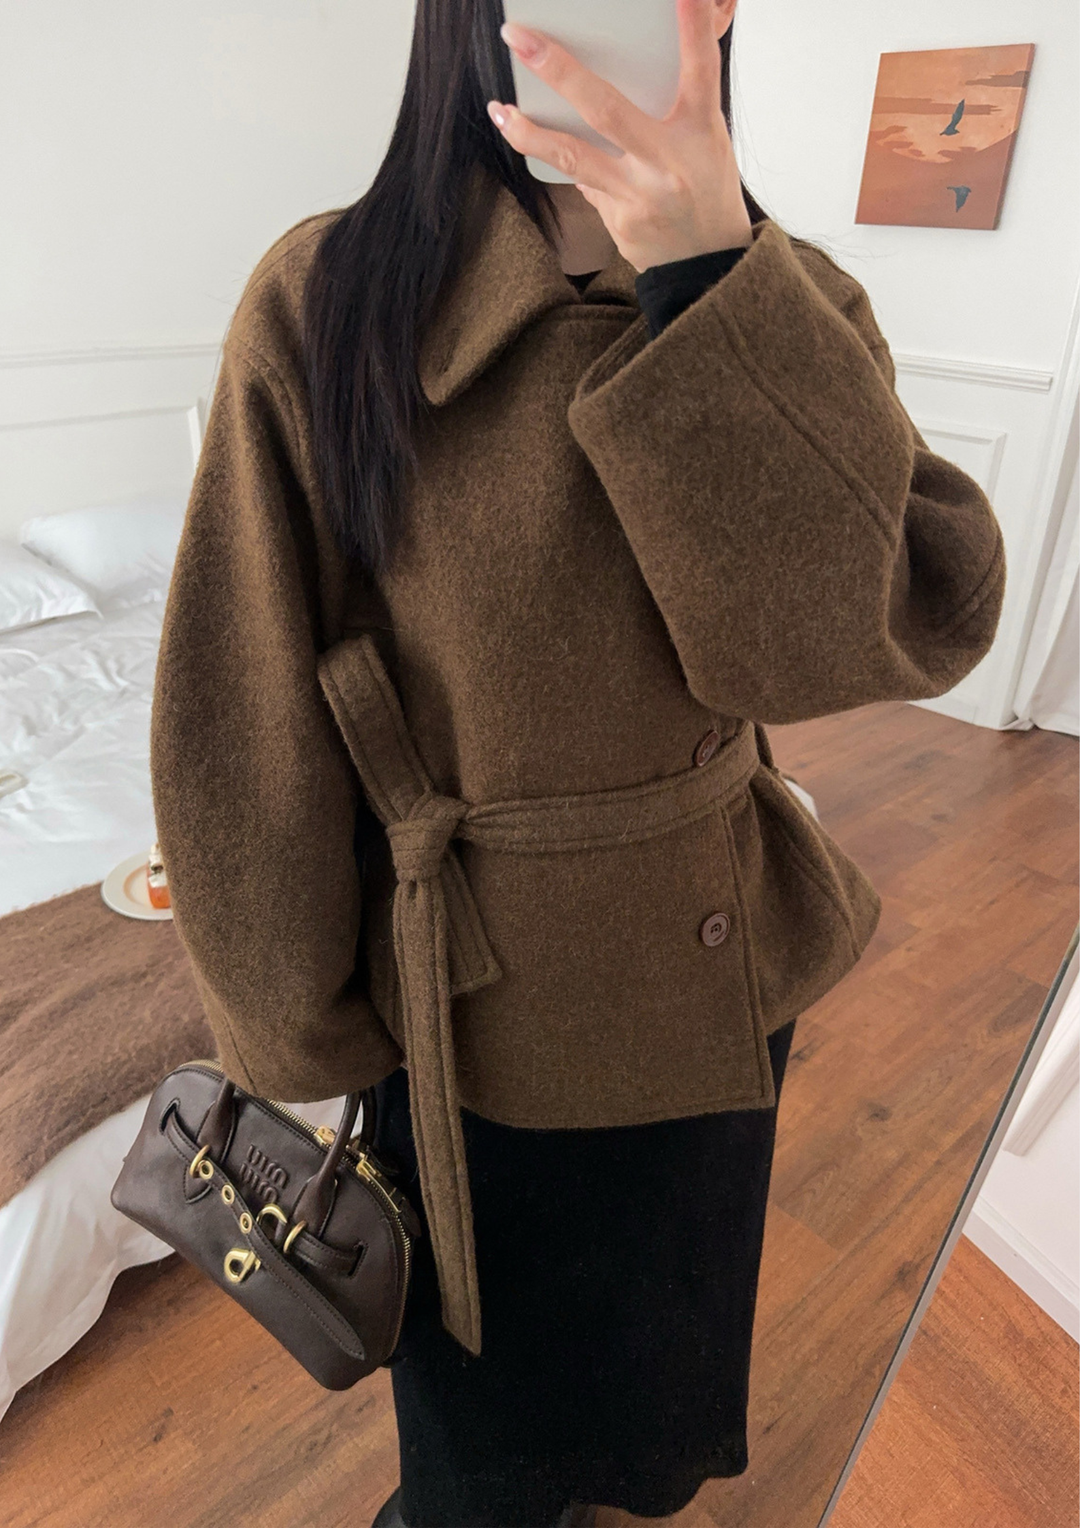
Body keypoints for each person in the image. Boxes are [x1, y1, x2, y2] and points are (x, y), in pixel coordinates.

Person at [148, 1, 1006, 1525]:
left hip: (711, 968)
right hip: (471, 1015)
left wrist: (708, 281)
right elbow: (244, 703)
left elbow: (885, 632)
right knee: (480, 1451)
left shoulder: (790, 298)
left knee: (653, 1370)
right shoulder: (327, 302)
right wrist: (301, 1023)